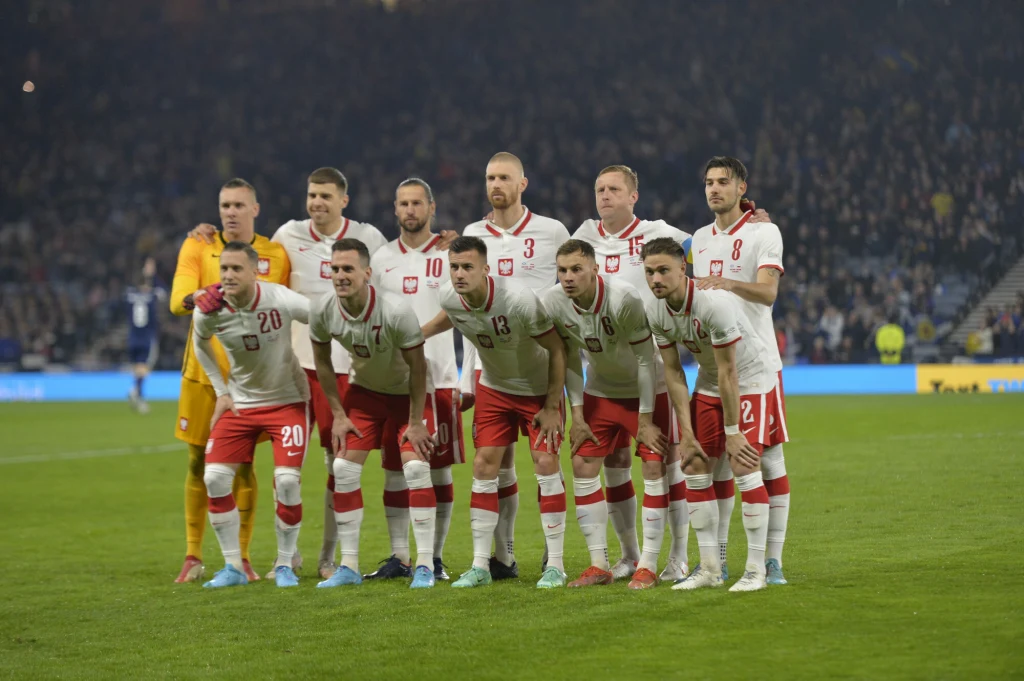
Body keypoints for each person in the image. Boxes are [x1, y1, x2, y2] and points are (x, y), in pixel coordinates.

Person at [422, 236, 568, 588]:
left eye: (467, 267)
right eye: (454, 267)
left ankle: (556, 565)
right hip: (494, 389)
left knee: (546, 465)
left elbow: (557, 348)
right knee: (484, 466)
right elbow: (450, 316)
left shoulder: (517, 299)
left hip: (536, 391)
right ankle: (480, 566)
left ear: (486, 269)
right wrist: (418, 334)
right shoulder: (448, 296)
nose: (459, 274)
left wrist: (552, 405)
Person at [571, 165, 693, 583]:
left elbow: (705, 246)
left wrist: (753, 223)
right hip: (602, 379)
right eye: (599, 188)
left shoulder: (659, 233)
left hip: (653, 373)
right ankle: (624, 557)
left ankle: (676, 556)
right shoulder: (582, 235)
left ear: (633, 196)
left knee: (666, 465)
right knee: (608, 466)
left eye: (614, 189)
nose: (604, 196)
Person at [169, 178, 291, 584]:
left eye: (239, 205)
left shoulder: (274, 253)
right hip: (202, 377)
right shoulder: (198, 246)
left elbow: (279, 308)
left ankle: (240, 557)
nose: (230, 212)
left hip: (249, 380)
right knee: (196, 459)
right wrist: (200, 296)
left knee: (241, 466)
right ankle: (192, 554)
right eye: (225, 205)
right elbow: (177, 301)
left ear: (255, 209)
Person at [642, 237, 781, 592]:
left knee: (744, 465)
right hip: (707, 380)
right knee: (693, 465)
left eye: (663, 270)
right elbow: (673, 373)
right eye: (649, 272)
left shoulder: (713, 303)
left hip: (749, 378)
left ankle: (755, 570)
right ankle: (709, 569)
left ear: (682, 269)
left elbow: (729, 371)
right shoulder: (655, 310)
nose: (656, 279)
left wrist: (733, 431)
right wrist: (686, 434)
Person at [543, 239, 679, 590]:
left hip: (647, 393)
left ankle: (647, 564)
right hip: (600, 393)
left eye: (576, 269)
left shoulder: (624, 299)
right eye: (562, 271)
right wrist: (577, 414)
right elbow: (570, 357)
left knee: (653, 466)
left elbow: (646, 359)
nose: (568, 278)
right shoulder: (554, 301)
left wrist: (646, 419)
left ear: (594, 269)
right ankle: (600, 563)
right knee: (583, 465)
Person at [460, 151, 571, 579]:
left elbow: (571, 279)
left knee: (546, 463)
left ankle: (554, 559)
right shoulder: (473, 234)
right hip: (493, 371)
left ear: (523, 184)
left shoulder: (551, 231)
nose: (496, 184)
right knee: (492, 463)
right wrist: (466, 374)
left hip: (542, 371)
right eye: (490, 177)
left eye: (504, 177)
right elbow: (465, 312)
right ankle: (497, 558)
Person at [310, 239, 438, 590]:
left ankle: (424, 563)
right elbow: (321, 361)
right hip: (365, 396)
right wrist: (338, 413)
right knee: (343, 469)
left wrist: (414, 422)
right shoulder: (323, 310)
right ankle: (349, 566)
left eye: (348, 269)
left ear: (367, 273)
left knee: (414, 467)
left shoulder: (395, 310)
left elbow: (418, 368)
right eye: (334, 269)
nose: (340, 276)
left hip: (407, 395)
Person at [690, 156, 791, 585]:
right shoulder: (697, 238)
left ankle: (771, 561)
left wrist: (729, 281)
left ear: (741, 187)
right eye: (709, 182)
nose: (714, 189)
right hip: (713, 371)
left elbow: (768, 293)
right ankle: (717, 561)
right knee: (714, 466)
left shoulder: (764, 232)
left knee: (764, 460)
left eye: (723, 182)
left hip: (755, 366)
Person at [191, 242, 311, 589]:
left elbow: (323, 316)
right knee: (213, 478)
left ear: (255, 271)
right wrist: (221, 391)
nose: (228, 275)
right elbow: (200, 344)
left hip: (288, 400)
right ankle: (233, 567)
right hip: (240, 405)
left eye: (236, 269)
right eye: (224, 268)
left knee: (287, 482)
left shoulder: (280, 298)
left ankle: (285, 564)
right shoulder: (209, 310)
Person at [369, 178, 462, 581]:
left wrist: (416, 336)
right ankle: (399, 555)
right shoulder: (380, 258)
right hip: (391, 382)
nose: (410, 210)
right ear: (395, 209)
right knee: (393, 469)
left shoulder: (449, 255)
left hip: (438, 376)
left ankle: (435, 557)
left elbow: (461, 308)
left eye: (417, 203)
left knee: (437, 471)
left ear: (432, 207)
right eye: (403, 204)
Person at [125, 257, 166, 414]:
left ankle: (137, 393)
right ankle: (137, 393)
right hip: (147, 337)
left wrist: (143, 274)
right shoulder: (152, 295)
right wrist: (153, 275)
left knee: (138, 367)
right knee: (145, 367)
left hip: (132, 336)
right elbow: (163, 292)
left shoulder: (129, 294)